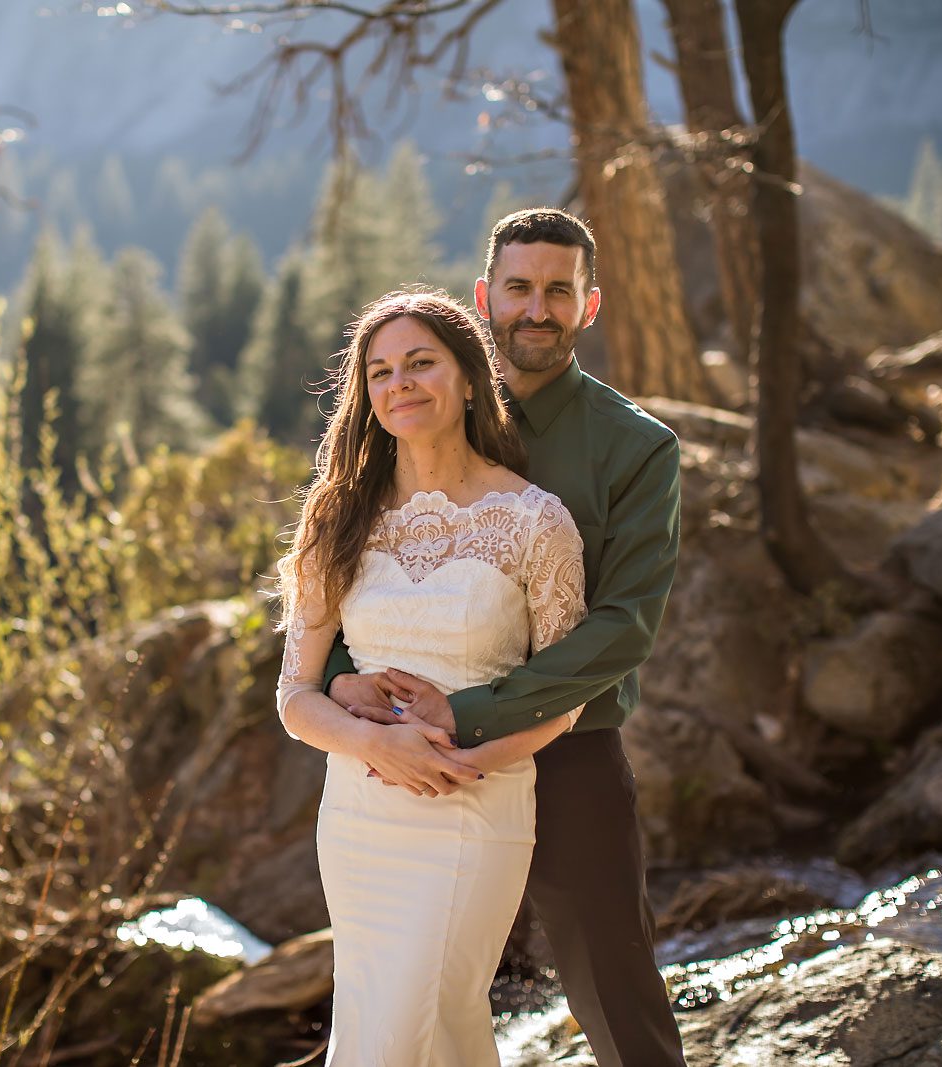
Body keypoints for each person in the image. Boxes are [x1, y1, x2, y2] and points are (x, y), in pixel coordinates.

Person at [322, 208, 688, 1067]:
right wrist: (344, 680)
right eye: (519, 288)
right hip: (403, 758)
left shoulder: (636, 448)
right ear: (486, 297)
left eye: (559, 291)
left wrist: (473, 713)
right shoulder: (415, 412)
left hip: (571, 752)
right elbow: (349, 578)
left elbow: (624, 625)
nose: (537, 309)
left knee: (617, 997)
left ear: (588, 305)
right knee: (400, 995)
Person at [276, 289, 589, 1065]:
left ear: (471, 378)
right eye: (380, 371)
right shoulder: (336, 515)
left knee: (413, 1022)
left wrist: (464, 759)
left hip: (474, 804)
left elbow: (565, 695)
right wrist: (375, 746)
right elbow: (295, 696)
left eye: (421, 363)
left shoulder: (534, 519)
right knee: (408, 1029)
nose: (400, 383)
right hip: (358, 815)